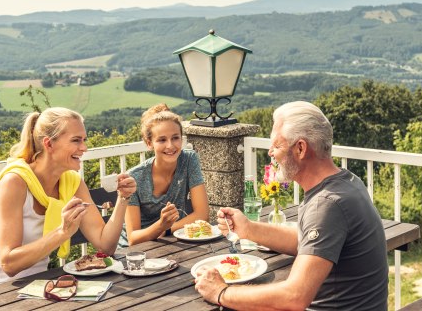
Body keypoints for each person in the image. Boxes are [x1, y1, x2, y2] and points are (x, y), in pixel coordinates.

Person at [194, 101, 388, 310]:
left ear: (301, 148)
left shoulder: (327, 204)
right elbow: (309, 243)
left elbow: (294, 297)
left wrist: (221, 292)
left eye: (277, 146)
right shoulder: (346, 182)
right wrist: (248, 229)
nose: (270, 152)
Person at [0, 107, 137, 291]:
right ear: (49, 144)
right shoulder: (15, 182)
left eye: (84, 140)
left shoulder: (72, 182)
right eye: (76, 140)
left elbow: (105, 246)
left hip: (38, 288)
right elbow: (8, 264)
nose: (84, 148)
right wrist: (62, 232)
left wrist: (123, 198)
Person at [120, 103, 209, 246]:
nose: (170, 146)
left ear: (181, 138)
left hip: (170, 243)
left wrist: (167, 229)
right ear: (149, 143)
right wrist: (161, 225)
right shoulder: (134, 178)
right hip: (136, 251)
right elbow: (133, 238)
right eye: (162, 140)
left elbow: (202, 214)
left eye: (175, 138)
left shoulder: (189, 160)